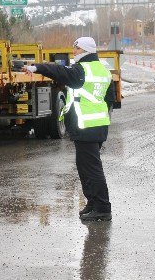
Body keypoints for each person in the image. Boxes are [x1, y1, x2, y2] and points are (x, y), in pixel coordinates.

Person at [23, 37, 114, 221]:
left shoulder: (82, 70)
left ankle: (103, 208)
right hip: (98, 126)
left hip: (86, 126)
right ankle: (93, 203)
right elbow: (110, 99)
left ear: (86, 50)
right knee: (85, 167)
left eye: (77, 48)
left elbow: (59, 71)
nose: (74, 51)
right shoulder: (102, 70)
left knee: (92, 170)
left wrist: (37, 67)